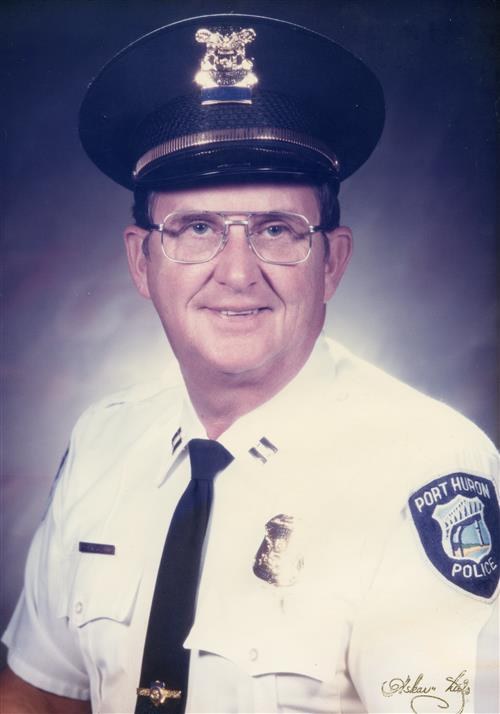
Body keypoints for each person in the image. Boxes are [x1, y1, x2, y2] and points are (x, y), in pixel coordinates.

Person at [1, 13, 498, 714]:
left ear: (332, 262)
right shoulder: (103, 442)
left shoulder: (426, 469)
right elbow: (41, 696)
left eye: (276, 229)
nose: (237, 273)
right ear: (142, 261)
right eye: (197, 228)